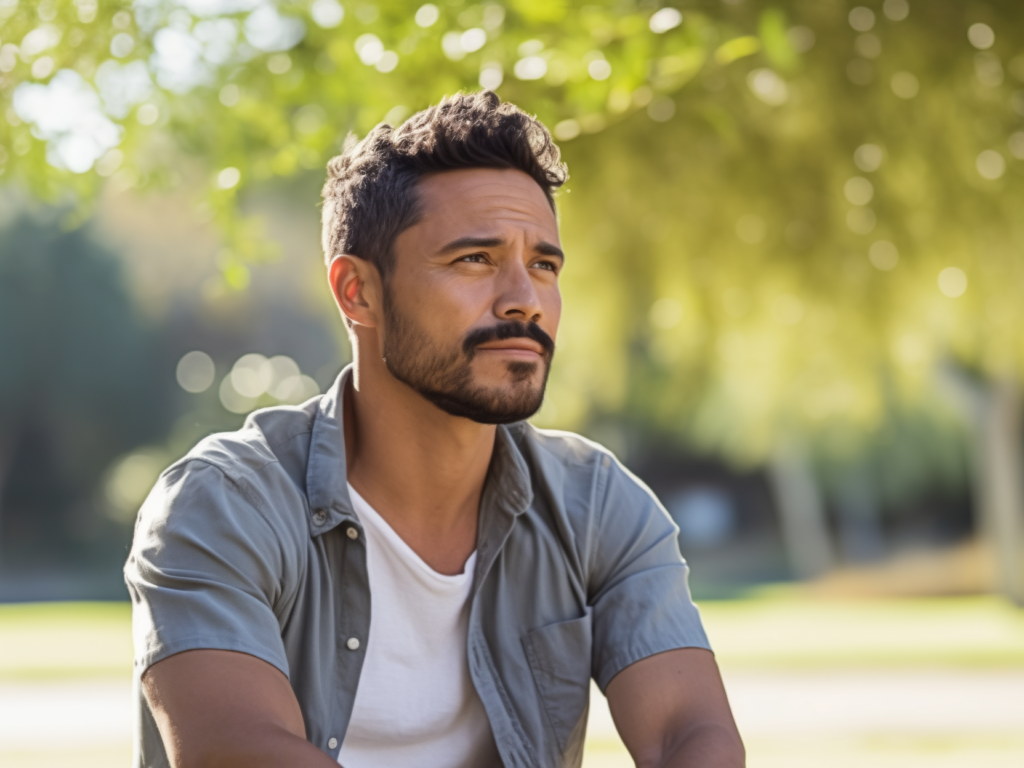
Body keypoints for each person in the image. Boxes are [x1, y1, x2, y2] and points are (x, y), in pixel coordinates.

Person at [125, 91, 744, 768]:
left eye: (544, 265)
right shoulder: (224, 505)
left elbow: (689, 733)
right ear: (358, 292)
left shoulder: (595, 505)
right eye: (475, 259)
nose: (526, 300)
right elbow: (237, 751)